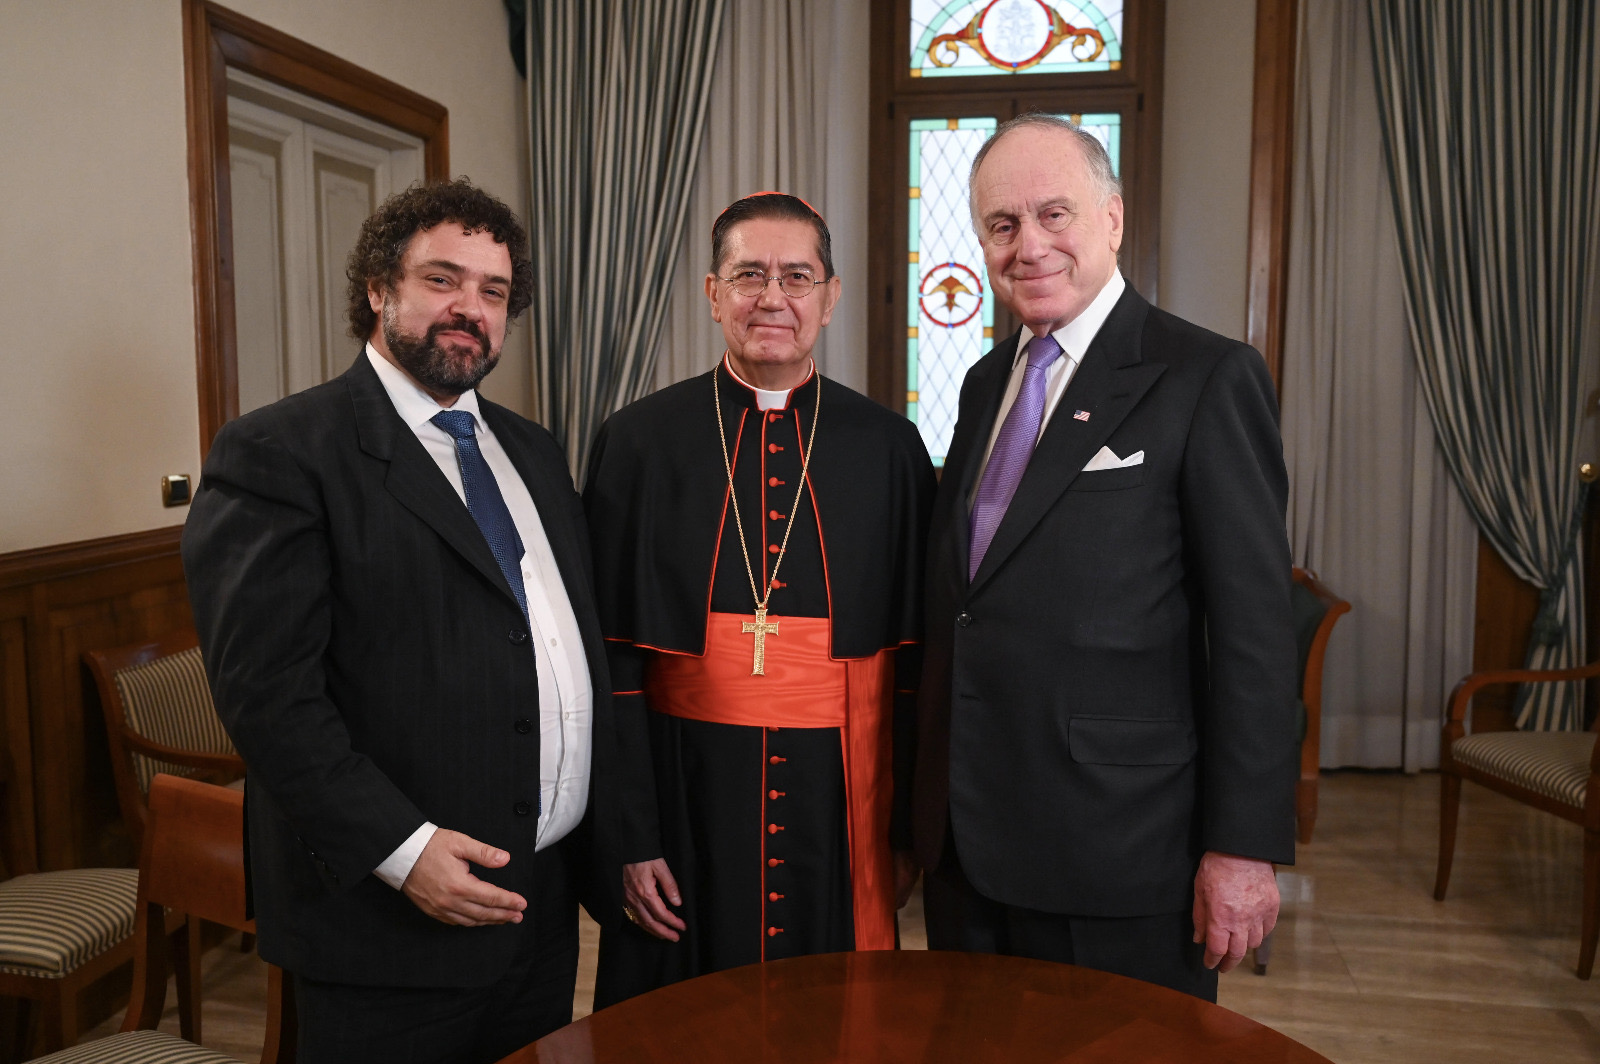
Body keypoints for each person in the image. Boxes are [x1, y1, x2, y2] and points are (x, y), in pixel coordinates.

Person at [182, 179, 613, 1062]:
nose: (470, 309)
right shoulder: (281, 452)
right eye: (442, 280)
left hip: (535, 905)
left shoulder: (530, 449)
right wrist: (402, 851)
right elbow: (270, 700)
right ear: (378, 288)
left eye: (493, 292)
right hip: (388, 927)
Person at [911, 114, 1298, 1000]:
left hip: (1120, 849)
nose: (1029, 245)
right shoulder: (982, 383)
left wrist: (1242, 847)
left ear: (1113, 219)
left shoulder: (1207, 376)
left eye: (1056, 214)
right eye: (1002, 225)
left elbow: (1255, 637)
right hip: (967, 843)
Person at [584, 192, 936, 1007]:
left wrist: (905, 831)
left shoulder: (889, 448)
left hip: (837, 799)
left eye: (796, 276)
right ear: (712, 294)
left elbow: (917, 659)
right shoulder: (637, 443)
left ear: (830, 295)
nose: (772, 297)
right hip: (684, 792)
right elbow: (610, 663)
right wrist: (629, 837)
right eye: (748, 275)